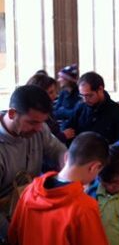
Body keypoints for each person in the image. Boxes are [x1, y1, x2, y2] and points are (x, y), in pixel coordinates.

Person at [8, 132, 109, 245]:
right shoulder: (85, 208)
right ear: (94, 167)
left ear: (66, 157)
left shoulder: (29, 190)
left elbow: (13, 236)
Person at [0, 85, 67, 239]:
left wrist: (70, 163)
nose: (38, 128)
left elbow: (58, 151)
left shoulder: (39, 128)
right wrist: (13, 235)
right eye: (32, 122)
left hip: (31, 211)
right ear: (11, 114)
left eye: (42, 122)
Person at [63, 71, 119, 147]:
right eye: (82, 96)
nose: (85, 100)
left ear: (100, 89)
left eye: (89, 95)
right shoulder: (80, 108)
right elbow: (68, 129)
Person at [26, 73, 75, 143]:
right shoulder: (33, 115)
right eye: (50, 92)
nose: (55, 96)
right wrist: (63, 136)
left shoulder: (48, 108)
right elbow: (41, 142)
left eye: (54, 91)